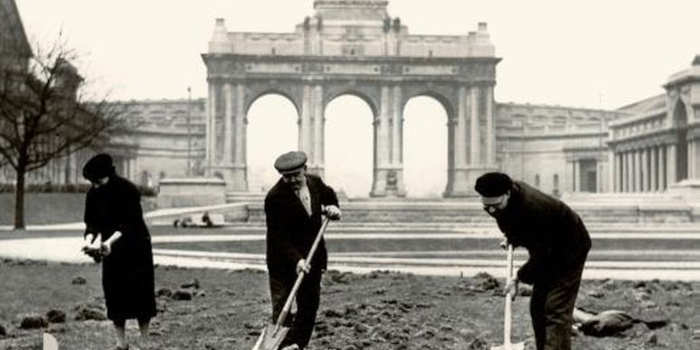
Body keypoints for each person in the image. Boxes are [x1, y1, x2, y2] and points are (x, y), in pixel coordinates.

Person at [474, 172, 591, 350]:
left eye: (496, 206)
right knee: (538, 306)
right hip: (548, 245)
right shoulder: (506, 201)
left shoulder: (534, 208)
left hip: (570, 248)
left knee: (555, 308)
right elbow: (514, 223)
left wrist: (517, 278)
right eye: (487, 207)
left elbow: (542, 255)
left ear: (507, 194)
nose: (492, 212)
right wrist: (512, 237)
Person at [264, 151, 341, 350]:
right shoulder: (274, 198)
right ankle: (280, 345)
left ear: (305, 171)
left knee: (309, 306)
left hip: (313, 257)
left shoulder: (315, 183)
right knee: (283, 309)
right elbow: (278, 237)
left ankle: (297, 346)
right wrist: (297, 260)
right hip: (283, 262)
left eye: (296, 175)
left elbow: (329, 195)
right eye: (287, 177)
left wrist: (333, 207)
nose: (292, 180)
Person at [81, 153, 157, 350]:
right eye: (92, 182)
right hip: (112, 249)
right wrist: (90, 241)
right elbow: (91, 222)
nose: (94, 185)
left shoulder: (127, 190)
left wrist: (109, 242)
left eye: (97, 181)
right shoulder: (93, 193)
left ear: (106, 175)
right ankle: (120, 343)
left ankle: (145, 341)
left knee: (141, 293)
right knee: (114, 293)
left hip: (136, 245)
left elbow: (130, 222)